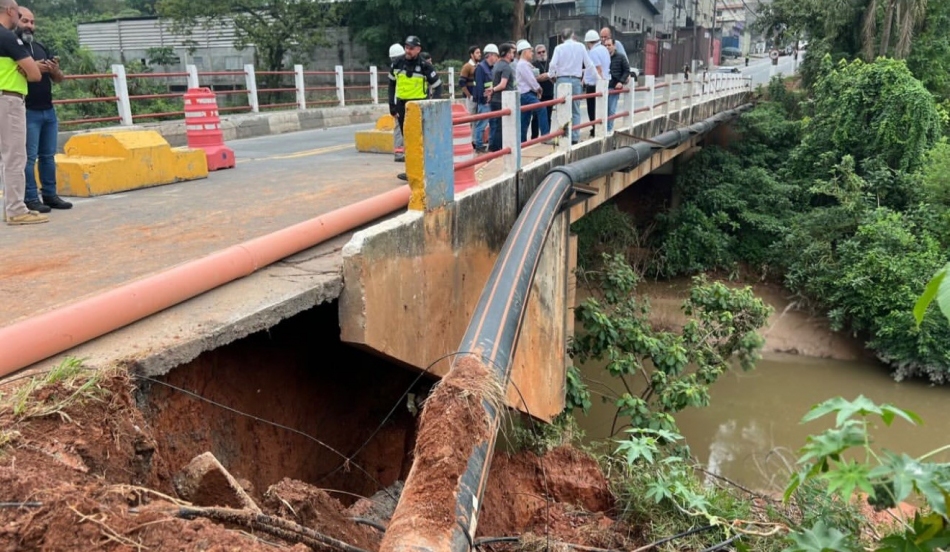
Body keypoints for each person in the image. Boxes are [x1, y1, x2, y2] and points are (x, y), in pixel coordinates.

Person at [18, 7, 71, 212]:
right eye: (25, 21)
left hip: (48, 110)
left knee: (48, 156)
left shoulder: (40, 47)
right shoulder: (11, 47)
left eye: (32, 22)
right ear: (16, 20)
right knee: (28, 158)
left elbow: (59, 79)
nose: (29, 26)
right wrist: (31, 69)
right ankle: (30, 197)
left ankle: (50, 195)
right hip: (26, 110)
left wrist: (54, 69)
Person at [0, 0, 45, 225]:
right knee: (15, 157)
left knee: (5, 158)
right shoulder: (8, 37)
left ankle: (10, 207)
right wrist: (31, 68)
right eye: (19, 13)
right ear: (10, 11)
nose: (20, 17)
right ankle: (17, 210)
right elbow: (35, 74)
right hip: (8, 99)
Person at [388, 35, 442, 180]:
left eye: (411, 48)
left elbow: (438, 86)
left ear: (418, 49)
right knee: (408, 140)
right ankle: (411, 172)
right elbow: (391, 84)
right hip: (402, 106)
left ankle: (425, 170)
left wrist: (432, 104)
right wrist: (391, 105)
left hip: (419, 107)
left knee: (420, 140)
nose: (408, 51)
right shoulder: (397, 64)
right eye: (406, 47)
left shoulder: (425, 66)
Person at [547, 28, 594, 144]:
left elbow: (552, 64)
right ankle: (574, 137)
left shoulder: (558, 48)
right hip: (576, 80)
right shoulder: (581, 46)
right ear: (572, 35)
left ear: (562, 38)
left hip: (562, 80)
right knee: (576, 110)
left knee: (562, 109)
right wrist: (597, 78)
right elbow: (589, 64)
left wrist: (551, 75)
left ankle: (564, 136)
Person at [514, 40, 548, 143]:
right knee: (542, 108)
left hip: (524, 94)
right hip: (527, 94)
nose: (532, 53)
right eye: (530, 51)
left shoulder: (524, 64)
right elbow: (531, 80)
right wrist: (538, 88)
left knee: (524, 119)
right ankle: (545, 136)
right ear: (525, 52)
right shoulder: (523, 65)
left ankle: (522, 141)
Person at [487, 42, 515, 152]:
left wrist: (492, 92)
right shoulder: (506, 67)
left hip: (495, 99)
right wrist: (493, 90)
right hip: (503, 100)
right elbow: (503, 84)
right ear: (508, 54)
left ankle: (493, 147)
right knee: (501, 126)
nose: (514, 55)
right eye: (513, 52)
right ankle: (496, 149)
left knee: (495, 125)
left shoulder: (496, 66)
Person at [582, 29, 608, 135]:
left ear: (589, 42)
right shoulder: (604, 49)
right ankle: (599, 127)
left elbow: (598, 69)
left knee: (592, 109)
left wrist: (600, 82)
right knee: (601, 108)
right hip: (604, 83)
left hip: (594, 85)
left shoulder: (593, 52)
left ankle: (595, 129)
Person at [472, 43, 498, 152]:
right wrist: (483, 99)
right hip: (484, 101)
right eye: (495, 56)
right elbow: (478, 86)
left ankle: (489, 144)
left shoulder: (491, 68)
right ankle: (478, 145)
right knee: (481, 124)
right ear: (490, 55)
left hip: (490, 100)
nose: (496, 58)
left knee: (492, 123)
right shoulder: (481, 68)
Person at [604, 38, 629, 133]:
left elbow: (627, 70)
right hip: (603, 87)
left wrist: (621, 82)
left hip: (614, 87)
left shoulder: (621, 57)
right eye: (605, 45)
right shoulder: (603, 57)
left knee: (611, 110)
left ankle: (609, 130)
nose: (607, 47)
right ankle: (602, 130)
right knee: (602, 110)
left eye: (609, 45)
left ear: (614, 46)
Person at [530, 43, 553, 140]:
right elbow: (534, 79)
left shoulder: (551, 62)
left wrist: (543, 77)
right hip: (538, 94)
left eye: (543, 52)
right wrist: (547, 76)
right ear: (536, 54)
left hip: (549, 93)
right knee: (535, 117)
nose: (541, 54)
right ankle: (534, 137)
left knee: (548, 116)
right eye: (539, 53)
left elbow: (554, 75)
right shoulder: (533, 65)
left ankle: (546, 135)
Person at [388, 43, 406, 163]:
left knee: (399, 128)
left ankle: (400, 151)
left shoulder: (394, 68)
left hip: (398, 101)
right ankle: (399, 152)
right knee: (400, 128)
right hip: (400, 101)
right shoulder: (400, 67)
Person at [457, 45, 481, 115]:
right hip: (470, 96)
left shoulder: (480, 66)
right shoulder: (467, 66)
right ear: (472, 55)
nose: (479, 54)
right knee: (471, 116)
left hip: (478, 96)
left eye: (480, 52)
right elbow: (461, 82)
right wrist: (469, 95)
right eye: (477, 53)